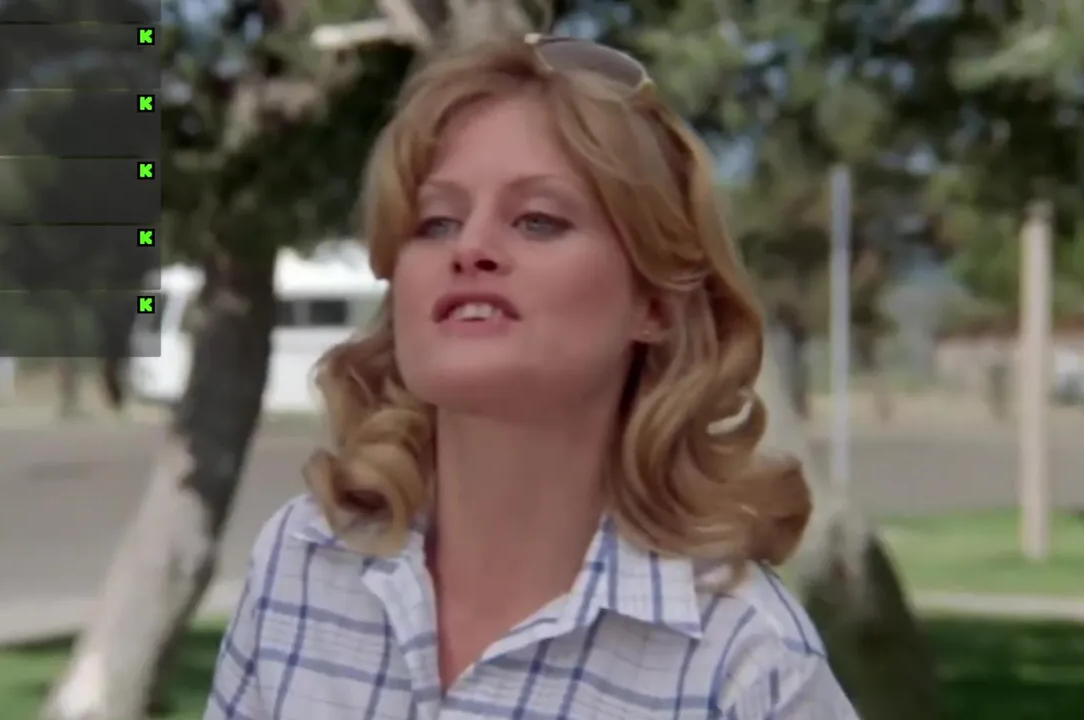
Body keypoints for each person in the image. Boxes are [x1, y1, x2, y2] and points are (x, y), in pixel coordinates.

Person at [204, 35, 857, 719]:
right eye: (436, 222)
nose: (470, 248)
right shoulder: (302, 563)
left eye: (538, 221)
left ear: (656, 305)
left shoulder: (748, 660)